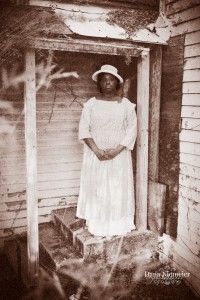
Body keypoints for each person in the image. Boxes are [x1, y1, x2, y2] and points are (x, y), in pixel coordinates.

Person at [76, 64, 137, 239]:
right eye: (104, 80)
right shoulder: (91, 104)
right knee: (98, 188)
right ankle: (98, 225)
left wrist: (116, 150)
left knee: (117, 188)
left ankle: (117, 225)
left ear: (117, 83)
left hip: (118, 156)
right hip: (96, 155)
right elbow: (84, 129)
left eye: (111, 80)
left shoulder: (126, 105)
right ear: (100, 83)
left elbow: (132, 130)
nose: (107, 83)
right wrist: (96, 150)